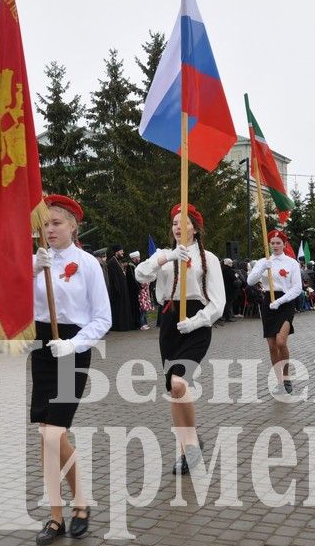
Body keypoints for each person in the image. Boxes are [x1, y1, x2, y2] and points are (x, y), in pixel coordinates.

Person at [31, 194, 111, 545]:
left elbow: (102, 318)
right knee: (45, 437)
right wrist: (28, 273)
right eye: (45, 223)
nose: (49, 229)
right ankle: (55, 516)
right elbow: (18, 306)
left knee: (54, 435)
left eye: (57, 223)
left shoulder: (88, 264)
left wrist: (74, 344)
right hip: (44, 349)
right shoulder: (35, 261)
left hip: (73, 349)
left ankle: (80, 503)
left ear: (73, 226)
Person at [135, 203, 225, 476]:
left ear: (195, 229)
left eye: (183, 222)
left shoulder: (208, 258)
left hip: (197, 322)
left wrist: (196, 322)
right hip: (169, 321)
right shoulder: (164, 254)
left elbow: (218, 303)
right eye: (174, 222)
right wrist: (165, 258)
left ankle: (191, 445)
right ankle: (189, 448)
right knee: (174, 391)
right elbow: (141, 275)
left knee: (179, 382)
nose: (177, 226)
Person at [247, 230, 301, 395]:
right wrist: (262, 267)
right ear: (269, 244)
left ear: (284, 244)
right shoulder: (264, 261)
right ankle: (279, 379)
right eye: (273, 243)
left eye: (279, 243)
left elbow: (297, 287)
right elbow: (250, 281)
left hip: (285, 302)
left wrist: (280, 301)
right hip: (267, 303)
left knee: (280, 342)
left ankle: (286, 375)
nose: (275, 245)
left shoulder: (292, 263)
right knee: (271, 346)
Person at [106, 246, 133, 331]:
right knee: (120, 308)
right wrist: (118, 289)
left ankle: (126, 325)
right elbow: (113, 278)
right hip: (118, 290)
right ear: (116, 252)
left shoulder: (118, 261)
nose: (122, 253)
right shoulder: (112, 262)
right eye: (121, 251)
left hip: (123, 288)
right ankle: (120, 326)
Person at [125, 251, 144, 330]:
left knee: (137, 307)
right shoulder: (131, 266)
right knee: (135, 307)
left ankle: (138, 322)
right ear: (134, 258)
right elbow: (133, 279)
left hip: (135, 290)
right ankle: (136, 323)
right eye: (138, 258)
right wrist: (139, 287)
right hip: (133, 291)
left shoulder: (135, 265)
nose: (139, 259)